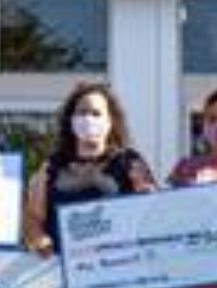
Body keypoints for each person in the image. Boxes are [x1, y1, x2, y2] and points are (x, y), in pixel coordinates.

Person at [24, 81, 157, 257]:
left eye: (96, 113)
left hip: (113, 264)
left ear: (110, 122)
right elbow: (33, 217)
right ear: (71, 121)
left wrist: (148, 195)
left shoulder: (128, 161)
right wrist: (39, 240)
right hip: (61, 266)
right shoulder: (52, 165)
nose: (88, 119)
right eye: (82, 112)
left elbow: (152, 212)